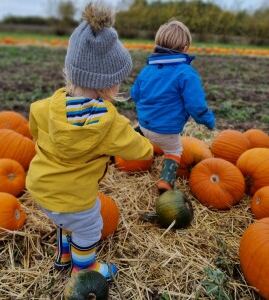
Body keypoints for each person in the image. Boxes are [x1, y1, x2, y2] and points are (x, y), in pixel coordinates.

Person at [26, 2, 153, 282]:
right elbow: (137, 149)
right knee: (89, 228)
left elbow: (35, 127)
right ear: (108, 83)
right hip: (74, 197)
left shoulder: (46, 106)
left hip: (40, 187)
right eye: (119, 79)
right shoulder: (108, 122)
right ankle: (84, 270)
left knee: (64, 220)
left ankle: (63, 256)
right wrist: (147, 143)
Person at [130, 20, 215, 194]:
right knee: (175, 150)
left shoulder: (147, 70)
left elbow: (135, 94)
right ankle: (166, 182)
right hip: (166, 132)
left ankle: (124, 140)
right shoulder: (185, 73)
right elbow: (195, 105)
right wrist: (208, 121)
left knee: (140, 130)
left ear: (157, 45)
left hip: (145, 124)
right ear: (185, 48)